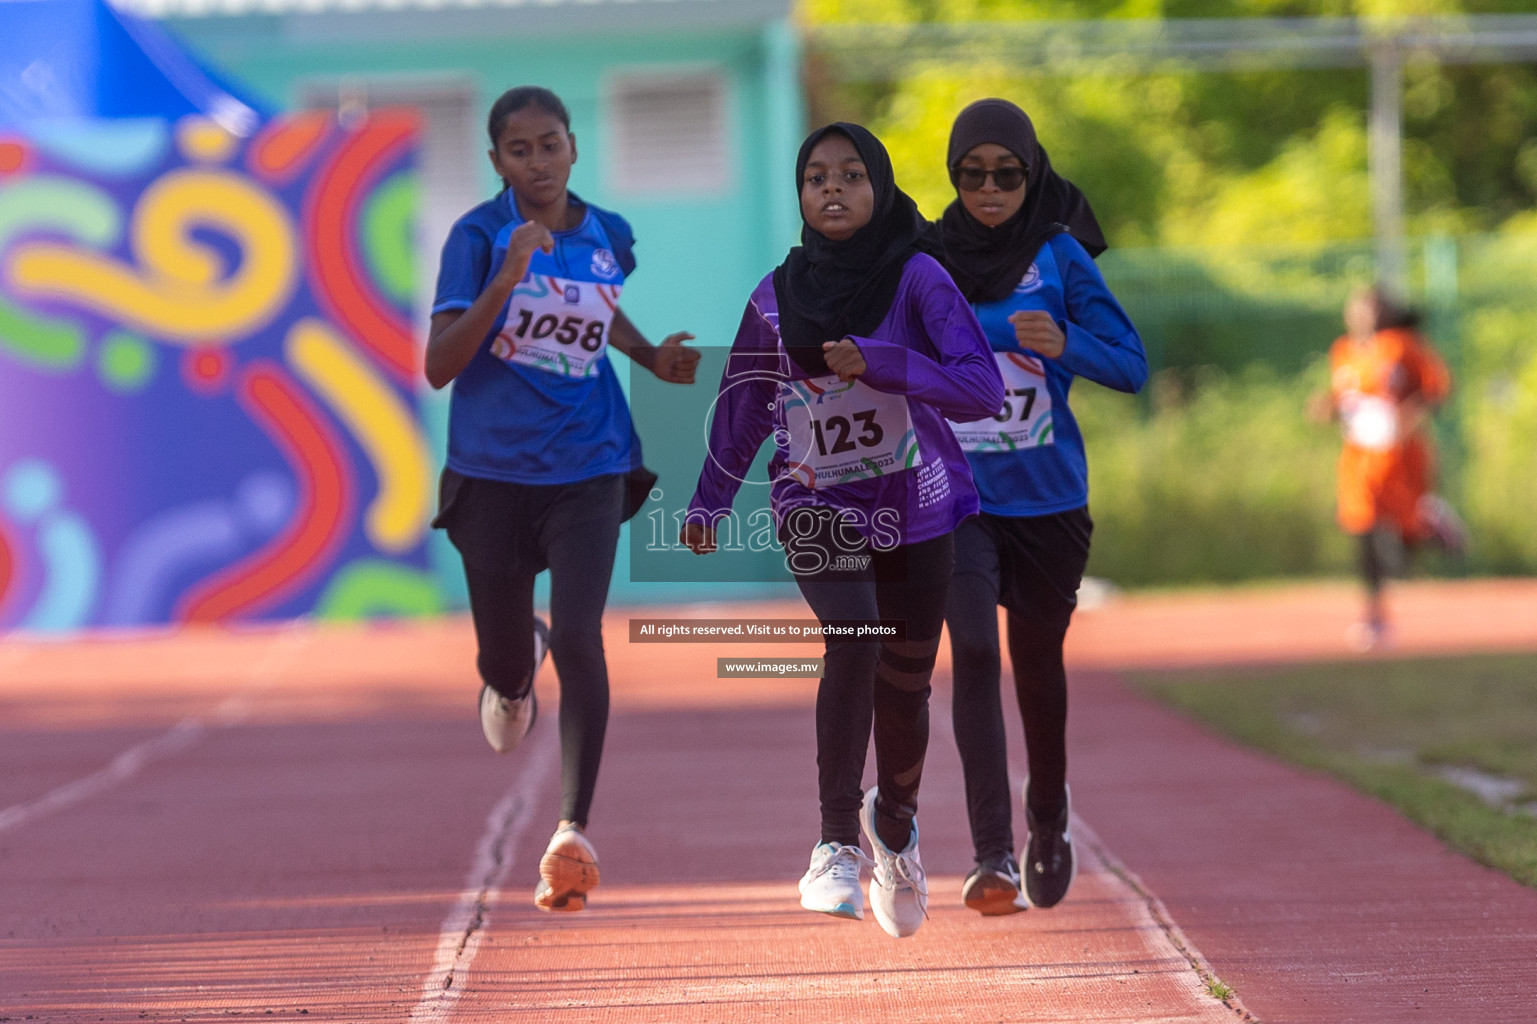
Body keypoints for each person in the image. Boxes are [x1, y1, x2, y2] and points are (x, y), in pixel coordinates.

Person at [680, 123, 1004, 938]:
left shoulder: (920, 278)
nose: (832, 189)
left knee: (905, 685)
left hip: (918, 503)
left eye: (852, 175)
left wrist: (885, 362)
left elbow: (981, 388)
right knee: (851, 640)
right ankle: (833, 844)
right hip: (813, 499)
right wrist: (708, 501)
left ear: (881, 188)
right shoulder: (771, 296)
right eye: (816, 176)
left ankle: (893, 826)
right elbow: (743, 404)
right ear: (798, 194)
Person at [426, 85, 700, 913]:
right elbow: (441, 363)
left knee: (585, 635)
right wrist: (506, 276)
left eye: (550, 145)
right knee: (505, 663)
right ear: (496, 161)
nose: (537, 163)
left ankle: (572, 830)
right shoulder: (477, 237)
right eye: (520, 150)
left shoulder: (610, 234)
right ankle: (514, 674)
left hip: (589, 464)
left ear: (574, 147)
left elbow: (598, 312)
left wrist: (649, 357)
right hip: (494, 473)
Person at [935, 98, 1147, 916]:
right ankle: (990, 855)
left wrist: (1066, 344)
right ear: (952, 175)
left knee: (1037, 666)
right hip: (955, 498)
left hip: (1049, 499)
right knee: (975, 657)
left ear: (1032, 175)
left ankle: (1047, 816)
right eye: (971, 172)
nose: (988, 187)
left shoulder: (1058, 257)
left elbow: (1131, 366)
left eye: (1006, 173)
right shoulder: (926, 258)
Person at [1315, 285, 1460, 651]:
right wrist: (1326, 408)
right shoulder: (1342, 351)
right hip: (1358, 458)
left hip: (1399, 456)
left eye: (1370, 307)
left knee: (1401, 551)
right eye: (1357, 307)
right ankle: (1375, 618)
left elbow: (1437, 387)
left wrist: (1409, 417)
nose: (1362, 314)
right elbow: (1343, 399)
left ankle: (1427, 519)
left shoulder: (1402, 346)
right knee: (1361, 529)